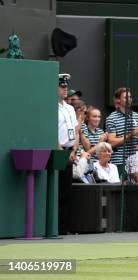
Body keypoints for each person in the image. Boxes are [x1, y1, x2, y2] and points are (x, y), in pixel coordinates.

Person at [58, 73, 79, 235]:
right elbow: (51, 131)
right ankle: (55, 227)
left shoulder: (70, 108)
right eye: (62, 86)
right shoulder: (51, 106)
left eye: (66, 87)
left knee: (67, 191)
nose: (65, 89)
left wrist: (74, 150)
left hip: (70, 151)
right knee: (57, 190)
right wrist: (62, 152)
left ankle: (65, 228)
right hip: (58, 152)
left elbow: (76, 131)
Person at [106, 87, 138, 169]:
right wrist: (131, 134)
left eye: (130, 97)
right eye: (125, 97)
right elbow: (111, 142)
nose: (129, 99)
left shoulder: (137, 116)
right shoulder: (111, 118)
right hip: (119, 161)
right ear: (118, 100)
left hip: (135, 160)